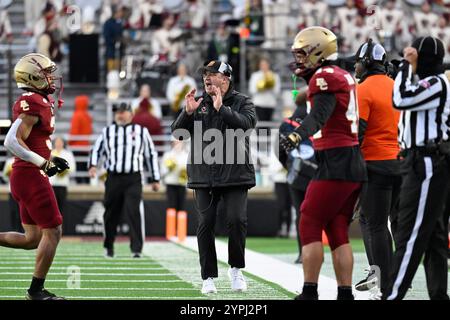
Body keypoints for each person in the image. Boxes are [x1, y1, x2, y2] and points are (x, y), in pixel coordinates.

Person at [281, 26, 366, 300]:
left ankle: (310, 292)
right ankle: (344, 293)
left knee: (309, 220)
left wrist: (297, 134)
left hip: (336, 158)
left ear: (318, 51)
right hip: (351, 158)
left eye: (303, 54)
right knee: (337, 227)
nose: (300, 59)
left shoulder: (324, 78)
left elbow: (320, 115)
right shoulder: (342, 74)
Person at [171, 60, 256, 294]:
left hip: (235, 172)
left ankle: (236, 268)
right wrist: (186, 114)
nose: (206, 78)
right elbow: (178, 135)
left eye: (212, 74)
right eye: (205, 74)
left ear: (226, 78)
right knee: (205, 224)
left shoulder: (242, 101)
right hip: (204, 174)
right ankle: (207, 276)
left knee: (237, 220)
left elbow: (247, 125)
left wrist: (222, 109)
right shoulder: (198, 102)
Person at [383, 37, 450, 300]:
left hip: (427, 163)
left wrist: (404, 67)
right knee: (433, 236)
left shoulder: (436, 83)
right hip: (420, 162)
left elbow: (401, 98)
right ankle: (438, 296)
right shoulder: (429, 82)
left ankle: (393, 295)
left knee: (410, 233)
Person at [0, 53, 70, 300]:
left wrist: (49, 160)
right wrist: (43, 163)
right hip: (30, 175)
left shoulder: (38, 99)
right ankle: (36, 291)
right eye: (46, 73)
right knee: (54, 231)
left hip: (25, 175)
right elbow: (11, 140)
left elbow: (32, 140)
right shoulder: (32, 101)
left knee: (33, 239)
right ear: (32, 77)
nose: (51, 77)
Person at [352, 40, 402, 296]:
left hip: (375, 163)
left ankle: (384, 282)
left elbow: (358, 133)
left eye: (358, 61)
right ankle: (383, 273)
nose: (356, 66)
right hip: (401, 163)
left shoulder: (362, 89)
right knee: (377, 221)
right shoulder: (398, 87)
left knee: (376, 224)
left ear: (367, 62)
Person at [89, 102, 160, 258]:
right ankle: (109, 246)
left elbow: (151, 154)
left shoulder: (141, 131)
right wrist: (93, 165)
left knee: (134, 211)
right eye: (117, 112)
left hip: (133, 177)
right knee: (110, 213)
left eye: (122, 112)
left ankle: (136, 249)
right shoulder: (108, 131)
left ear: (131, 114)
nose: (119, 115)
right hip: (113, 177)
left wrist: (155, 178)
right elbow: (96, 149)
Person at [278, 97, 317, 264]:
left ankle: (303, 252)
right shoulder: (317, 120)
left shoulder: (286, 123)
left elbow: (280, 152)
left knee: (300, 214)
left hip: (295, 173)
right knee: (317, 214)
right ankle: (316, 250)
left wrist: (289, 168)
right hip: (316, 173)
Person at [49, 137, 76, 234]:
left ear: (63, 143)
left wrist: (64, 171)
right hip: (52, 184)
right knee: (51, 208)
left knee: (61, 207)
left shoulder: (68, 154)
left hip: (62, 184)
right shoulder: (50, 153)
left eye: (60, 142)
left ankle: (61, 230)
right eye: (57, 142)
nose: (59, 143)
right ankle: (51, 229)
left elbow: (72, 167)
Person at [69, 95, 93, 184]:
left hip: (77, 146)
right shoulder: (88, 116)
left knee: (78, 167)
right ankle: (87, 183)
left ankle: (79, 183)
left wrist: (69, 142)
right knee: (84, 166)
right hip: (86, 146)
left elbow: (74, 132)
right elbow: (90, 131)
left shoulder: (77, 115)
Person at [248, 57, 281, 122]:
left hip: (270, 104)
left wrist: (270, 87)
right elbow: (251, 90)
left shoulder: (274, 76)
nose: (264, 66)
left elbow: (277, 91)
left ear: (268, 65)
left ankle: (266, 133)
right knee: (262, 124)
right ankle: (262, 133)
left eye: (265, 64)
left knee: (268, 124)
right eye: (262, 65)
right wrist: (260, 88)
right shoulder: (255, 75)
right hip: (259, 103)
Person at [161, 139, 189, 212]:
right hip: (171, 184)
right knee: (171, 206)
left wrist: (185, 173)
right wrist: (169, 168)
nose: (178, 144)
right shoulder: (168, 155)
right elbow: (162, 171)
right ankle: (171, 223)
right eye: (176, 142)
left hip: (181, 184)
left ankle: (180, 224)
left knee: (181, 207)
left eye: (179, 142)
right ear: (172, 143)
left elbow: (189, 170)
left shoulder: (186, 156)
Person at [1, 155, 22, 232]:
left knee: (22, 212)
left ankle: (22, 230)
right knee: (13, 211)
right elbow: (5, 177)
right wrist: (8, 174)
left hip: (23, 191)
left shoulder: (24, 159)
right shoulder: (9, 161)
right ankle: (15, 230)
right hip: (12, 190)